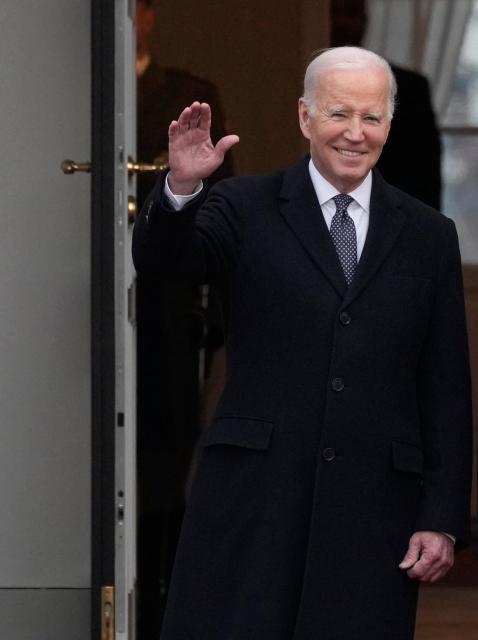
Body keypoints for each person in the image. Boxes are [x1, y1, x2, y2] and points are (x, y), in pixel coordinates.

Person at [133, 46, 473, 639]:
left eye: (372, 117)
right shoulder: (244, 206)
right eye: (340, 114)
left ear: (390, 125)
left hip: (373, 508)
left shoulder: (428, 234)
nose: (355, 133)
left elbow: (443, 385)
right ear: (305, 117)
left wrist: (441, 516)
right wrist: (181, 188)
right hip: (254, 497)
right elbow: (166, 263)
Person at [134, 0, 234, 635]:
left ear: (148, 14)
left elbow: (222, 214)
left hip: (169, 308)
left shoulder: (188, 93)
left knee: (168, 460)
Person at [330, 0, 443, 209]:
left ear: (365, 20)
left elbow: (424, 186)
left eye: (352, 13)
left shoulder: (407, 90)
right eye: (333, 12)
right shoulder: (282, 89)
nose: (342, 23)